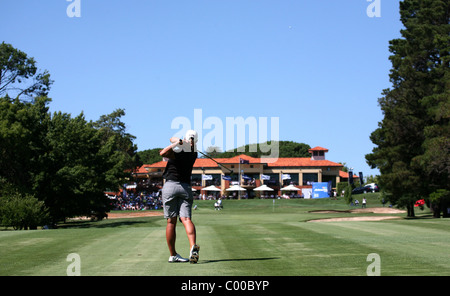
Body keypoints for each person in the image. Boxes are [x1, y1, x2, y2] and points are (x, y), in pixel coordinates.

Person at [159, 130, 200, 264]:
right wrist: (181, 142)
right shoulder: (194, 153)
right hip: (185, 187)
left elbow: (163, 153)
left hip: (170, 186)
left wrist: (178, 142)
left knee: (171, 222)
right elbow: (172, 138)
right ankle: (192, 246)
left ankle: (173, 255)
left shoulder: (178, 151)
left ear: (185, 139)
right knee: (186, 218)